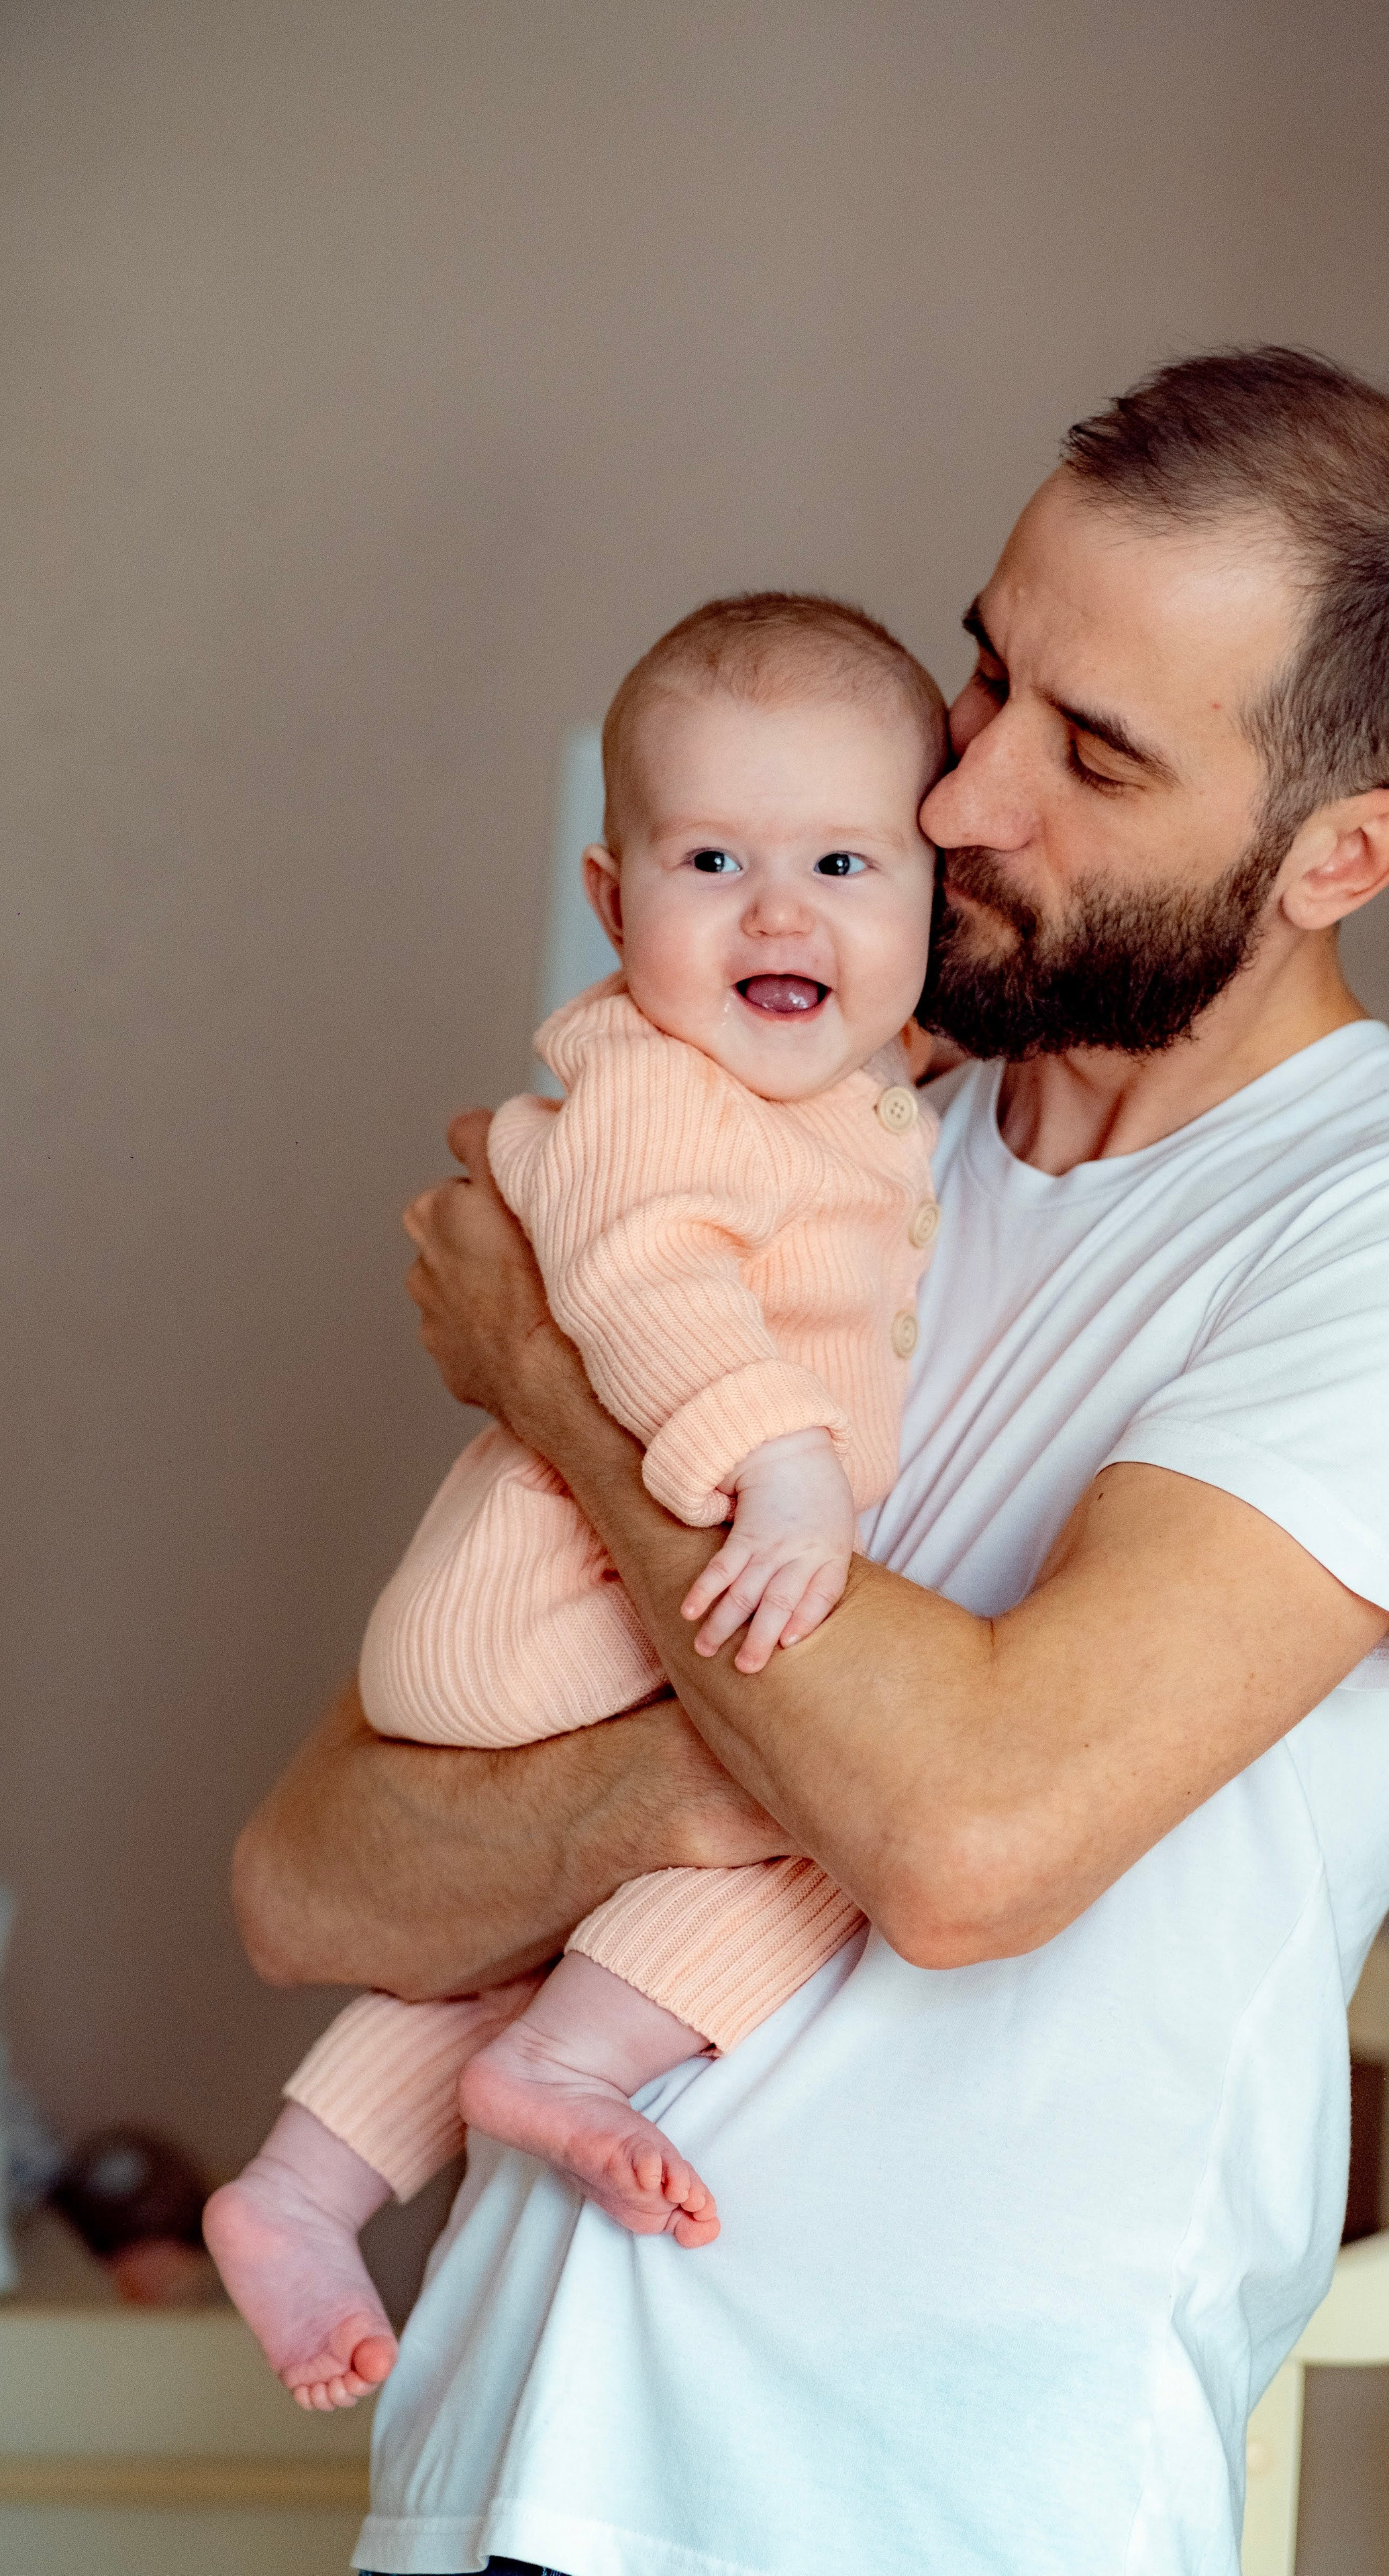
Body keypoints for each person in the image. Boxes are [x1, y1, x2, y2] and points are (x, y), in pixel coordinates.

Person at [236, 349, 1389, 2576]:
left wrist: (562, 1383)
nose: (962, 791)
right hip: (488, 2465)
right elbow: (307, 1885)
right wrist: (690, 1790)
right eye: (988, 673)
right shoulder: (798, 1139)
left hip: (918, 2511)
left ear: (1345, 854)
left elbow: (969, 1844)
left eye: (1095, 752)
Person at [205, 594, 946, 2408]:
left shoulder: (825, 1095)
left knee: (529, 1919)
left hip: (538, 1617)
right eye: (714, 862)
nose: (780, 914)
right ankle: (569, 2068)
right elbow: (639, 1277)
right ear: (615, 905)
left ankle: (302, 2189)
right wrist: (780, 1460)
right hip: (555, 1604)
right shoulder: (652, 1086)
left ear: (932, 907)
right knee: (824, 1809)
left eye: (843, 864)